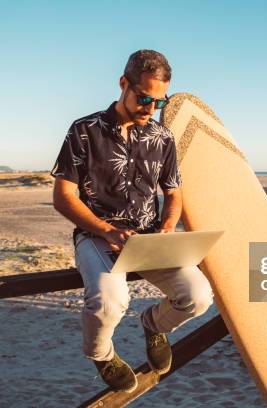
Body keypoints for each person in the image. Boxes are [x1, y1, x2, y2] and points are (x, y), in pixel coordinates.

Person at [50, 49, 214, 393]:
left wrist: (168, 228)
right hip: (97, 235)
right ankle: (102, 353)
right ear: (123, 83)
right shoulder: (84, 131)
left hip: (151, 238)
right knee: (109, 301)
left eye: (158, 101)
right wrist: (106, 230)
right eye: (143, 98)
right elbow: (64, 197)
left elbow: (173, 194)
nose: (150, 108)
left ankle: (154, 325)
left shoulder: (163, 137)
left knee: (198, 296)